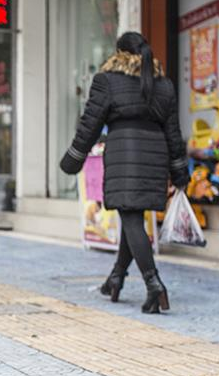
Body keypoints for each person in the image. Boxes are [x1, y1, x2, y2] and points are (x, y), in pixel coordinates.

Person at [60, 32, 189, 314]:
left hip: (124, 154)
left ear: (119, 53)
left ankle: (155, 286)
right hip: (155, 156)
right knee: (134, 220)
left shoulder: (107, 81)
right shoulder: (163, 85)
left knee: (131, 220)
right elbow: (173, 132)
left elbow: (89, 124)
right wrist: (179, 169)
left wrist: (74, 158)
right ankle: (115, 279)